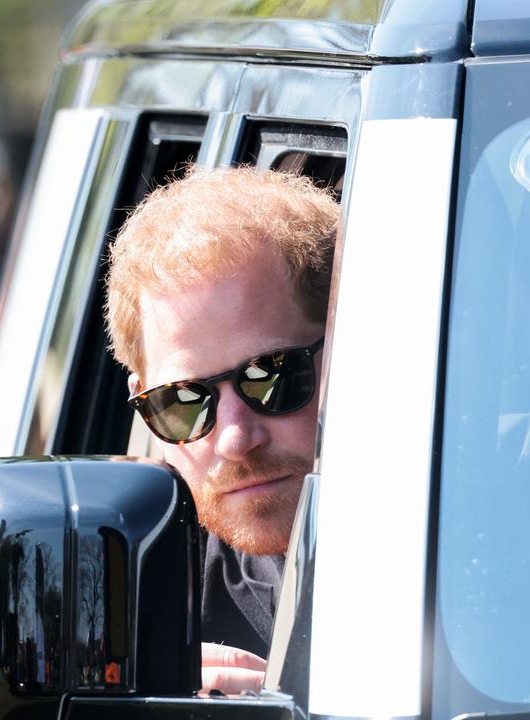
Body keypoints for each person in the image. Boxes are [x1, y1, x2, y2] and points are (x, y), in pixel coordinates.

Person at [104, 166, 339, 694]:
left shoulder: (513, 515)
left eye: (270, 376)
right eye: (183, 402)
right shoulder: (138, 608)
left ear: (350, 342)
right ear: (142, 398)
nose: (235, 439)